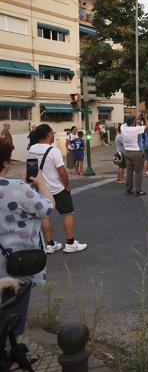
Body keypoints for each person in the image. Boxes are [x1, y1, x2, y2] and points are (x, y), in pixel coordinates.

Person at [0, 141, 54, 339]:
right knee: (12, 316)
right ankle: (9, 357)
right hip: (18, 263)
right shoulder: (17, 187)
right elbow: (47, 208)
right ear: (6, 163)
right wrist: (40, 183)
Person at [27, 124, 87, 253]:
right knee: (68, 213)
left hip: (41, 188)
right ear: (49, 135)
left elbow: (30, 169)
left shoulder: (31, 149)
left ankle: (50, 244)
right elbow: (62, 172)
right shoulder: (53, 151)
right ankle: (70, 243)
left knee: (45, 216)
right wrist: (66, 185)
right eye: (52, 133)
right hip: (56, 188)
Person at [121, 115, 148, 196]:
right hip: (136, 152)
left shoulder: (123, 127)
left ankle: (128, 189)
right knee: (138, 172)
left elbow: (127, 122)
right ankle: (138, 190)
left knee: (129, 171)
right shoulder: (136, 129)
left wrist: (135, 118)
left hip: (127, 152)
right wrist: (145, 118)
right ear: (133, 122)